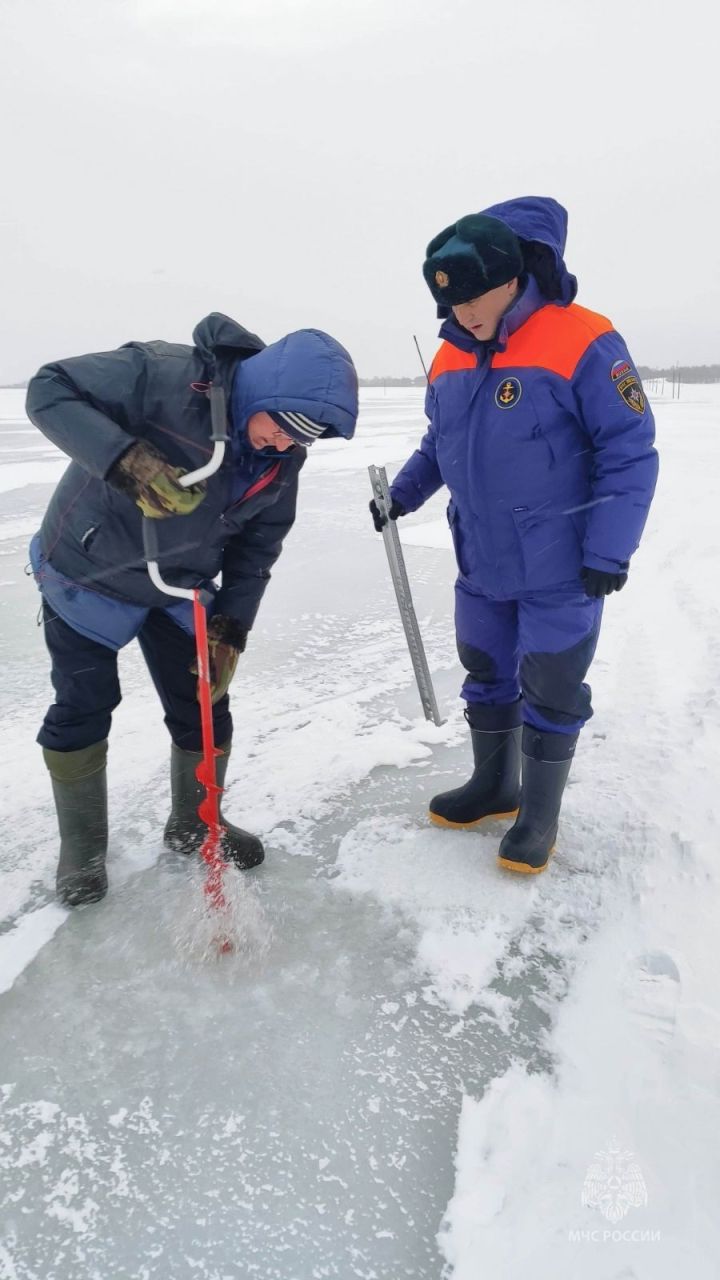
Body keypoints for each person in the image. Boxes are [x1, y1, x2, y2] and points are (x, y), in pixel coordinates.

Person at [26, 313, 358, 906]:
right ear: (264, 393)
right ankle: (83, 851)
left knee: (205, 704)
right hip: (91, 568)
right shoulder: (165, 375)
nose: (286, 443)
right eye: (284, 425)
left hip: (180, 585)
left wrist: (231, 629)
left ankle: (195, 822)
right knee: (83, 705)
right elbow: (49, 388)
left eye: (304, 437)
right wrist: (127, 461)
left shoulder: (283, 461)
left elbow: (257, 550)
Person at [370, 197, 658, 874]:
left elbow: (629, 448)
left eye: (475, 297)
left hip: (563, 563)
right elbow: (441, 444)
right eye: (451, 303)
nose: (464, 314)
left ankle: (539, 814)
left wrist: (611, 549)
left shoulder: (583, 338)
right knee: (488, 671)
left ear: (512, 277)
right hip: (482, 558)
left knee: (552, 685)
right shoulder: (448, 357)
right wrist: (403, 495)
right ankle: (495, 786)